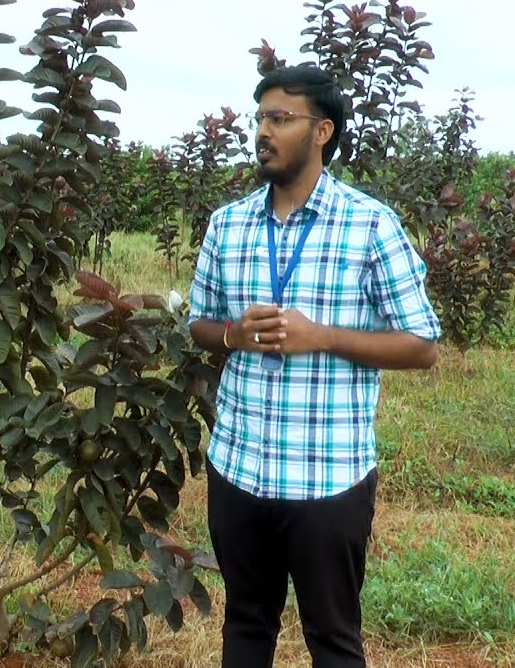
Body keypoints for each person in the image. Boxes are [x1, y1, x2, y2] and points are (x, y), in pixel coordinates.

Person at [187, 66, 440, 668]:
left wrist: (320, 336)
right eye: (260, 119)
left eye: (280, 118)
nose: (263, 132)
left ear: (322, 130)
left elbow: (422, 344)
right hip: (239, 468)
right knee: (245, 626)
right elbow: (197, 325)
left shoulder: (370, 225)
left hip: (328, 477)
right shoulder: (229, 225)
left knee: (333, 639)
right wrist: (233, 334)